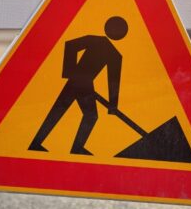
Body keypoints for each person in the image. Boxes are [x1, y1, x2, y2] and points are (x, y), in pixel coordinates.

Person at [28, 16, 127, 155]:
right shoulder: (113, 53)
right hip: (83, 83)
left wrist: (113, 105)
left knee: (58, 111)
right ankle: (76, 148)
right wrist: (112, 105)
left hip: (80, 82)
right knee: (90, 116)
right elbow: (70, 45)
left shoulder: (106, 48)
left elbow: (113, 81)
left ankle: (36, 143)